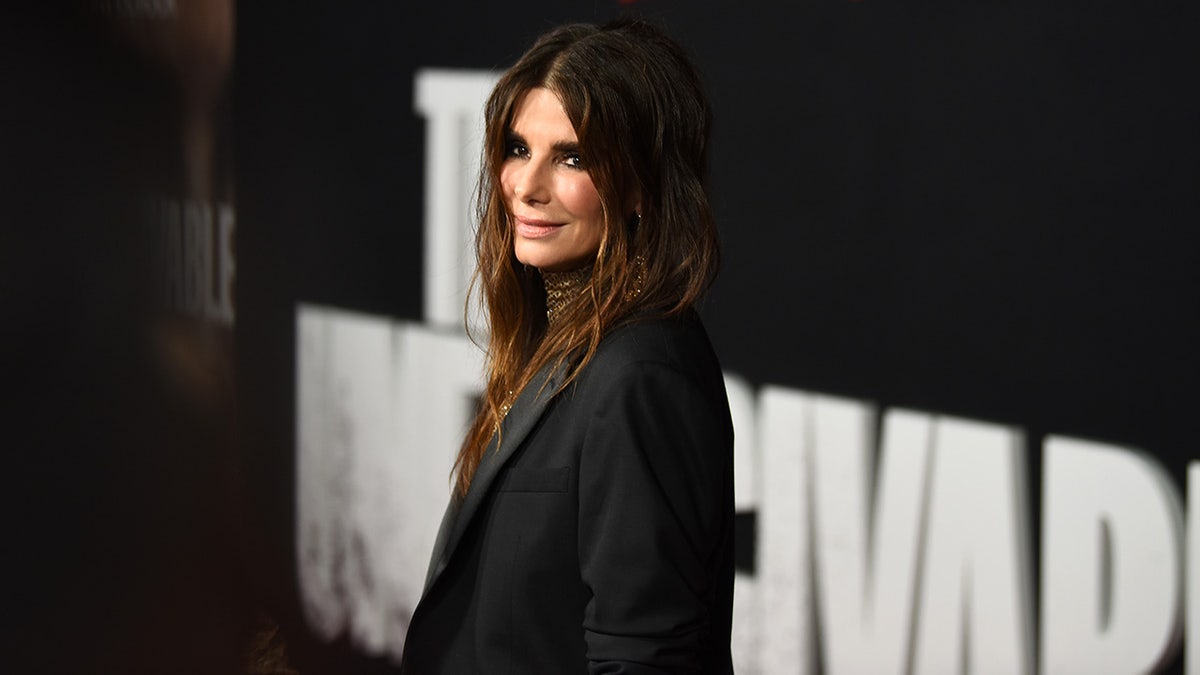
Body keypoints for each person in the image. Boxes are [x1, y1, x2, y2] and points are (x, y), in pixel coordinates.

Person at [400, 18, 734, 674]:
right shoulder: (557, 341)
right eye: (519, 148)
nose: (527, 185)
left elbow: (642, 660)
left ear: (639, 186)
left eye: (572, 157)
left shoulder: (639, 375)